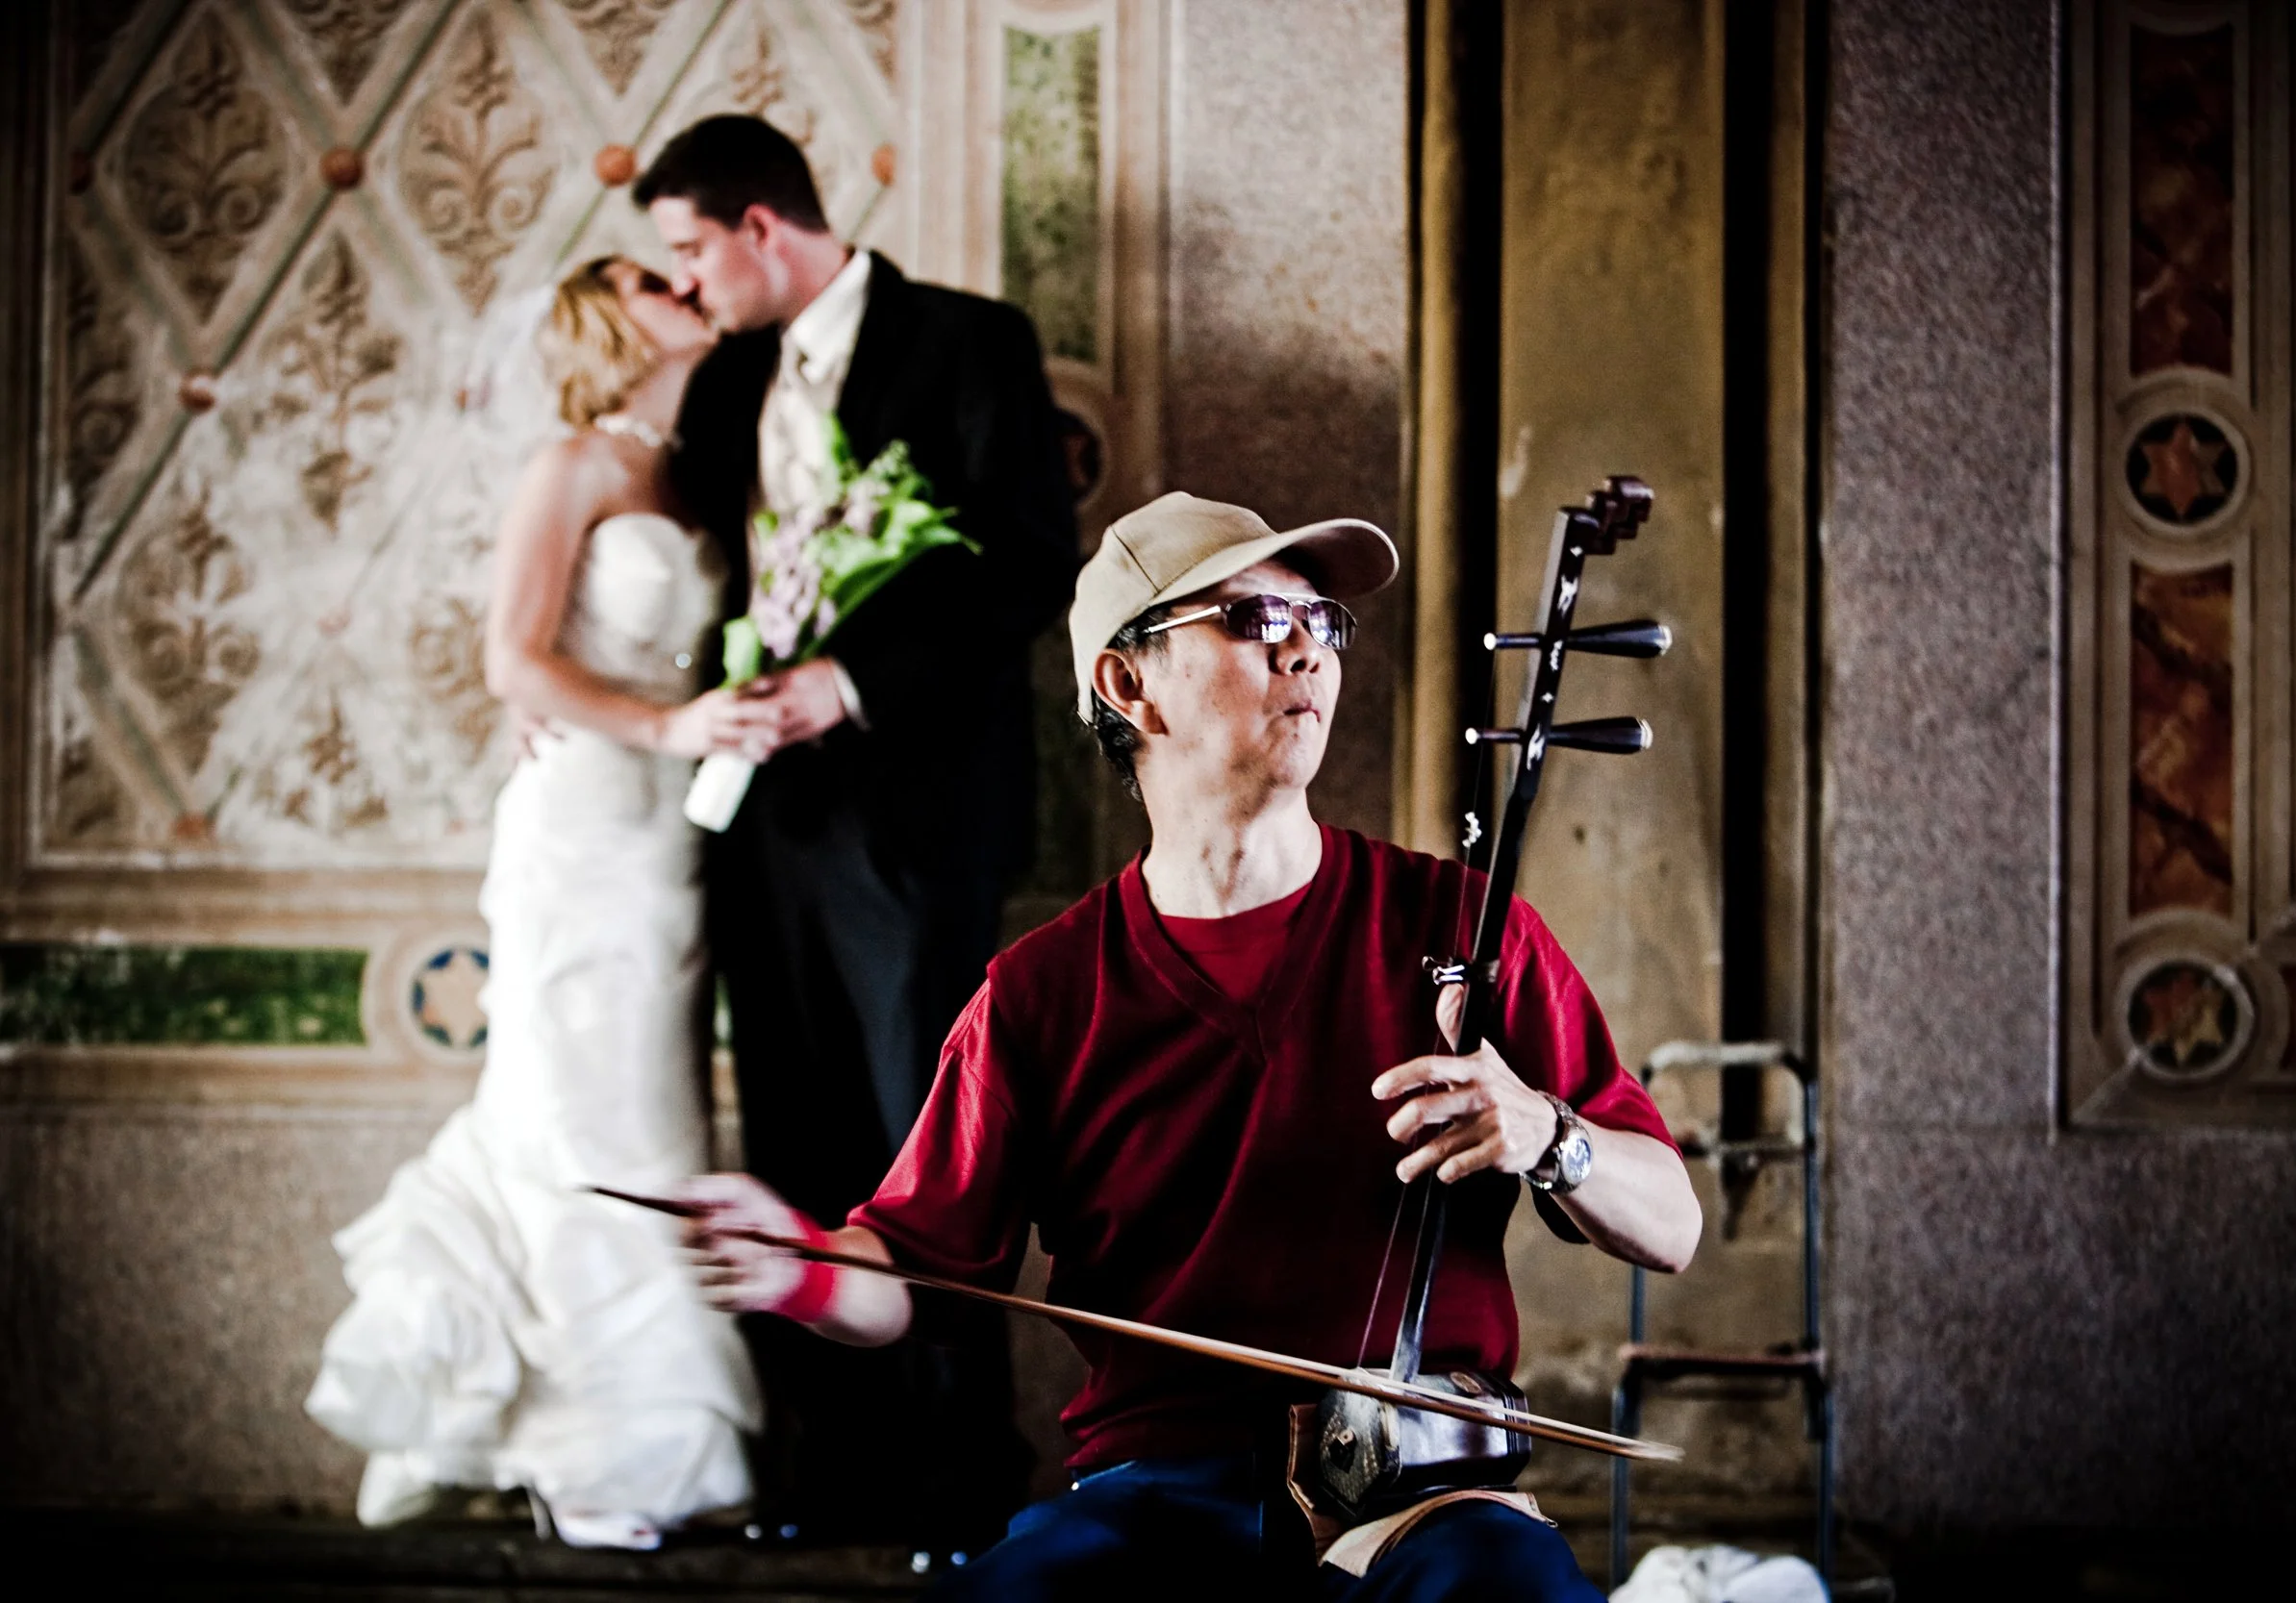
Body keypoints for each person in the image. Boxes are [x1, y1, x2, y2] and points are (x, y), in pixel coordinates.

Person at [679, 492, 1705, 1600]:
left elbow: (1674, 1221)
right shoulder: (1039, 994)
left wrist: (1549, 1135)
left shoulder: (1460, 929)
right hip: (1153, 1496)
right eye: (1258, 619)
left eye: (1324, 624)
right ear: (1128, 683)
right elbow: (914, 1270)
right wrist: (800, 1266)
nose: (1309, 645)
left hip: (1420, 1498)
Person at [630, 114, 1081, 1555]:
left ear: (765, 226)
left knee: (919, 1139)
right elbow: (675, 552)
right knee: (800, 1128)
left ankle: (966, 1478)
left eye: (694, 251)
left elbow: (1027, 563)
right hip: (760, 820)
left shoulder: (969, 341)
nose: (689, 287)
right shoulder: (729, 379)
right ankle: (840, 1471)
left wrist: (852, 677)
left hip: (913, 816)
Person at [305, 257, 776, 1551]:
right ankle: (609, 1443)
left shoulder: (693, 472)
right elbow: (512, 655)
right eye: (637, 273)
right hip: (577, 827)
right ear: (600, 319)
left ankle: (628, 1425)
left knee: (655, 1108)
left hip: (667, 840)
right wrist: (668, 718)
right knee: (581, 1110)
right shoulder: (565, 467)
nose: (672, 276)